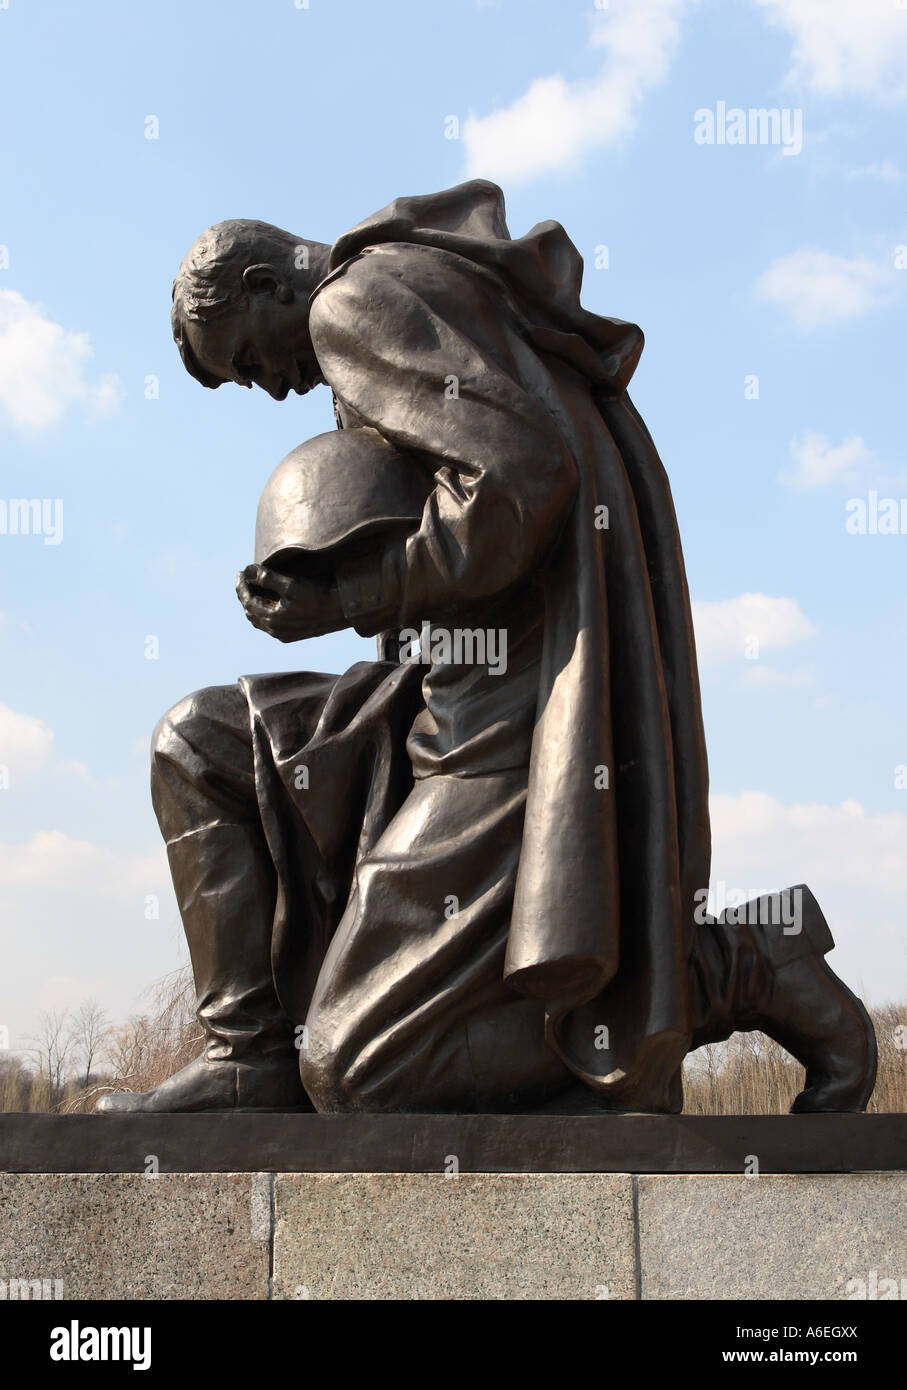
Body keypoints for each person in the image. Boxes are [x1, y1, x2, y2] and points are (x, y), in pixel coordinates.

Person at [98, 181, 875, 1115]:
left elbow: (519, 483)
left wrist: (347, 593)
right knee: (203, 745)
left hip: (516, 719)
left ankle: (729, 969)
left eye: (251, 359)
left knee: (358, 1073)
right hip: (441, 683)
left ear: (267, 284)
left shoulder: (355, 302)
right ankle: (248, 1050)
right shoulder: (407, 284)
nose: (270, 385)